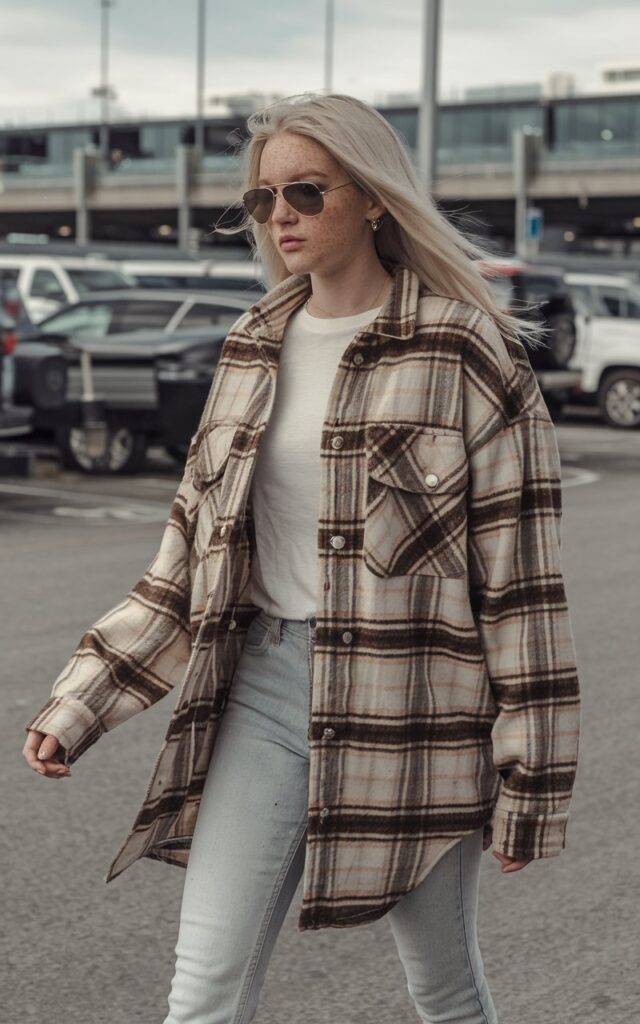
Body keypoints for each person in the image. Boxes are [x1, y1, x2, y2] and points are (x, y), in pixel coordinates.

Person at [22, 92, 581, 1024]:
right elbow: (187, 565)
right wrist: (83, 699)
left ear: (370, 198)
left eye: (306, 193)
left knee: (442, 987)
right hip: (264, 687)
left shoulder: (464, 349)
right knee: (203, 987)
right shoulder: (249, 347)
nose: (280, 215)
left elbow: (520, 592)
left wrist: (529, 784)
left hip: (418, 712)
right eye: (262, 198)